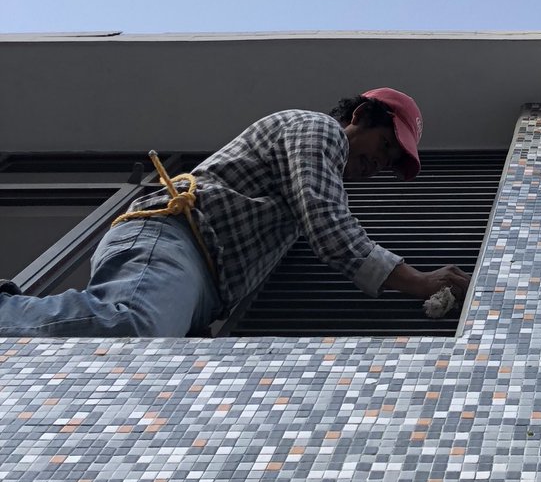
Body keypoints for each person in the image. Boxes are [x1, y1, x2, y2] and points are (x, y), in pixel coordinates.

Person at [0, 88, 470, 337]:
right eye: (383, 147)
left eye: (387, 165)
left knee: (134, 357)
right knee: (133, 326)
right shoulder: (317, 129)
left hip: (202, 284)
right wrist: (418, 281)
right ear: (360, 118)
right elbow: (329, 225)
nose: (375, 166)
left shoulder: (293, 193)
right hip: (176, 237)